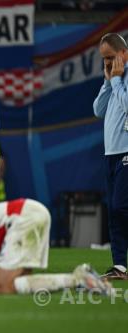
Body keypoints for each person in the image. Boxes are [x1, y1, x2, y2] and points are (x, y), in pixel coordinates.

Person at [93, 32, 128, 280]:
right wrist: (107, 82)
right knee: (114, 210)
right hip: (111, 154)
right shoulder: (114, 78)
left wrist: (115, 82)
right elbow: (98, 110)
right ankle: (120, 266)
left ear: (124, 54)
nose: (107, 62)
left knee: (120, 206)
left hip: (127, 152)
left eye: (111, 57)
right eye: (104, 59)